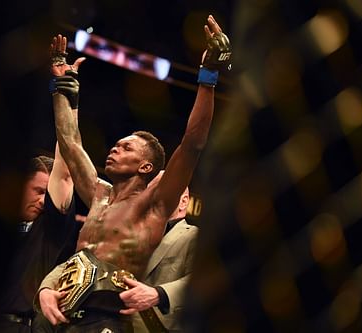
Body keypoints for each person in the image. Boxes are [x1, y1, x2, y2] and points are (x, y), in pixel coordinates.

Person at [36, 14, 231, 333]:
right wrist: (62, 88)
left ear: (147, 167)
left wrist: (208, 76)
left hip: (109, 319)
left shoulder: (152, 205)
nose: (114, 148)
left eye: (126, 148)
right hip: (67, 316)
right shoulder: (99, 195)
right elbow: (70, 143)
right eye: (116, 145)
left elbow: (193, 143)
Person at [0, 148, 80, 333]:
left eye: (47, 195)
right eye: (38, 191)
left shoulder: (49, 228)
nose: (43, 201)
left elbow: (65, 173)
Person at [119, 179, 197, 332]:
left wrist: (159, 294)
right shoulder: (131, 235)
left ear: (183, 202)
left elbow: (200, 282)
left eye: (163, 192)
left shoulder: (194, 235)